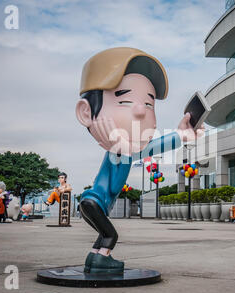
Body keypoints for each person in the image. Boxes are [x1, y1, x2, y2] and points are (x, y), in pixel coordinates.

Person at [75, 47, 204, 274]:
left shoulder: (126, 150)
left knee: (104, 234)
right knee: (110, 235)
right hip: (95, 202)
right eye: (124, 101)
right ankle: (102, 258)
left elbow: (151, 147)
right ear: (86, 113)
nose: (140, 111)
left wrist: (181, 136)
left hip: (91, 203)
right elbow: (116, 176)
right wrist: (116, 141)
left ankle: (95, 258)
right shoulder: (118, 150)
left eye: (149, 103)